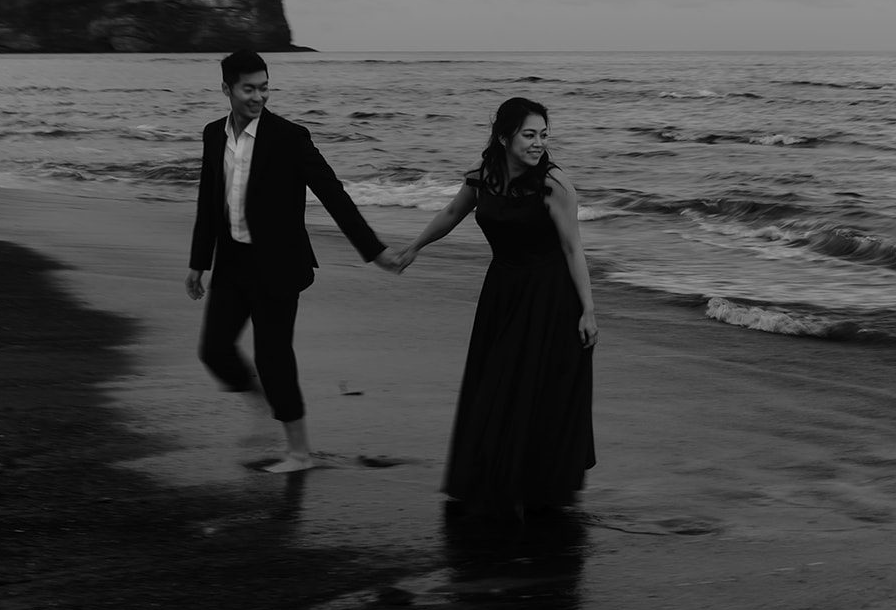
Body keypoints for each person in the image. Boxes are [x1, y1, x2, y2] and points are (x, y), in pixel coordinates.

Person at [185, 50, 403, 473]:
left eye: (264, 88)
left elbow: (331, 192)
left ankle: (299, 453)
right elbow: (209, 202)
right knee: (213, 350)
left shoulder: (289, 137)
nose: (258, 97)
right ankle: (262, 401)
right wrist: (199, 261)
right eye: (249, 89)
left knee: (273, 357)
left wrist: (374, 251)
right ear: (226, 89)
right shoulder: (214, 135)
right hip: (232, 264)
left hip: (278, 267)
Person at [398, 96, 598, 517]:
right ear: (505, 137)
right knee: (495, 382)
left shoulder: (555, 184)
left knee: (531, 389)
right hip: (502, 290)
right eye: (529, 134)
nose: (538, 143)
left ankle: (534, 484)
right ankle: (491, 478)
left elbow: (572, 248)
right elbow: (453, 213)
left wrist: (588, 310)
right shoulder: (483, 177)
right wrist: (415, 246)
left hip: (548, 297)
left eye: (544, 135)